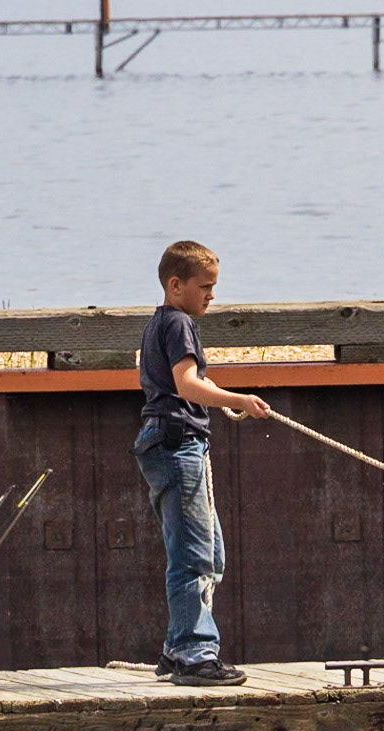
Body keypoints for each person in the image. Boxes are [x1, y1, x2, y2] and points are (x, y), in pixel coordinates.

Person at [131, 240, 271, 687]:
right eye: (204, 286)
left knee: (209, 553)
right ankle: (195, 653)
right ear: (176, 285)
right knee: (194, 556)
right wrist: (240, 400)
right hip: (177, 445)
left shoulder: (161, 322)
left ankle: (176, 649)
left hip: (168, 443)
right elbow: (188, 384)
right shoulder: (179, 325)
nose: (211, 295)